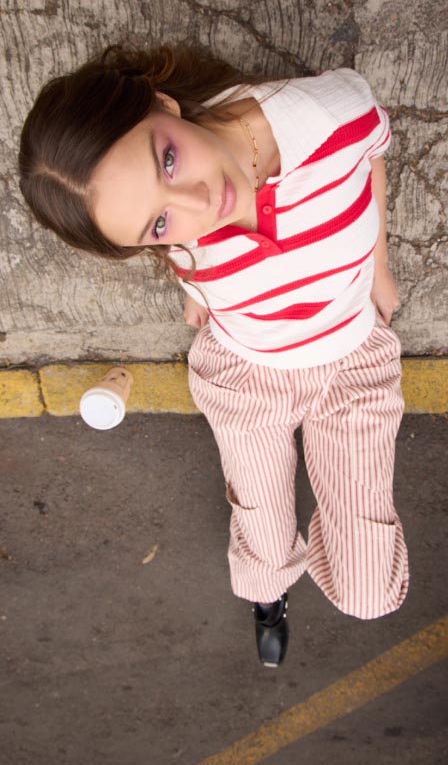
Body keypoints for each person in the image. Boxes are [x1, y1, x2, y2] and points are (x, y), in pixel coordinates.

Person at [19, 45, 409, 667]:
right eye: (157, 223)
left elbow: (373, 152)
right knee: (261, 519)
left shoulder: (326, 116)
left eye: (168, 158)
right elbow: (183, 247)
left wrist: (379, 267)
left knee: (368, 591)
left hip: (349, 362)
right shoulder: (181, 233)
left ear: (163, 103)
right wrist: (201, 294)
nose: (201, 205)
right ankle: (270, 594)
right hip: (245, 377)